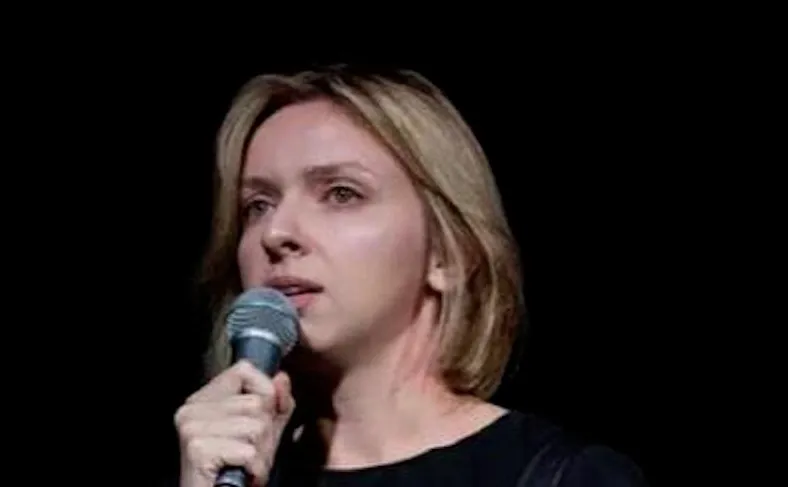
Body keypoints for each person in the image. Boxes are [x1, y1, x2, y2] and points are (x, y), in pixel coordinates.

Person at [173, 64, 648, 486]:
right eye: (257, 205)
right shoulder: (224, 473)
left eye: (341, 194)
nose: (276, 233)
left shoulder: (567, 476)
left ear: (447, 252)